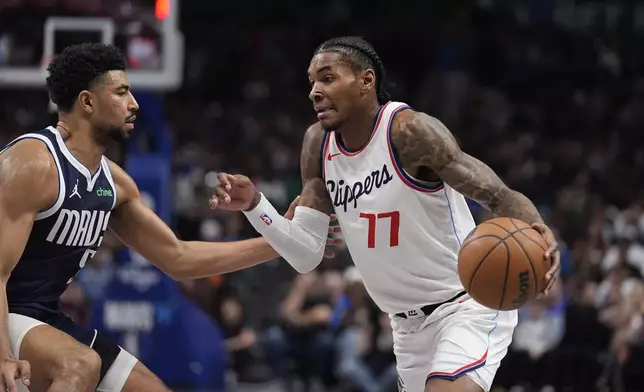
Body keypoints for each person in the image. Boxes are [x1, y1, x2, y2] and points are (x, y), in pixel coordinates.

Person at [210, 36, 561, 392]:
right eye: (312, 81)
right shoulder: (317, 145)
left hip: (466, 305)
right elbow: (306, 254)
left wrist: (538, 230)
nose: (315, 91)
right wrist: (256, 206)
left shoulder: (410, 132)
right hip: (405, 329)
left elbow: (498, 196)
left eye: (328, 78)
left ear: (366, 81)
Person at [0, 43, 338, 392]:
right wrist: (4, 355)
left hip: (41, 318)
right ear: (87, 102)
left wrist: (283, 238)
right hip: (6, 314)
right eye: (121, 92)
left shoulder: (113, 183)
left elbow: (178, 258)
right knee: (80, 365)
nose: (134, 104)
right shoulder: (32, 163)